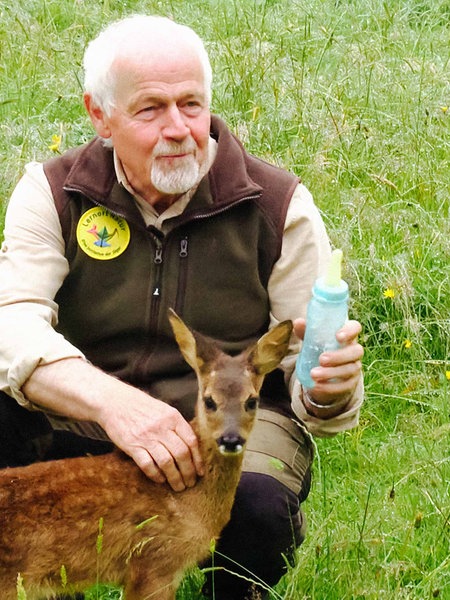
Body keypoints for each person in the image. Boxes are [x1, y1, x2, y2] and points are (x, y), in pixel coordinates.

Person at [0, 15, 364, 600]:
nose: (179, 129)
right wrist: (115, 404)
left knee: (261, 508)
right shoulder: (53, 192)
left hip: (230, 414)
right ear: (100, 116)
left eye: (192, 104)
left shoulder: (276, 205)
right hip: (87, 408)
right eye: (150, 109)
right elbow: (11, 323)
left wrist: (329, 389)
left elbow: (309, 366)